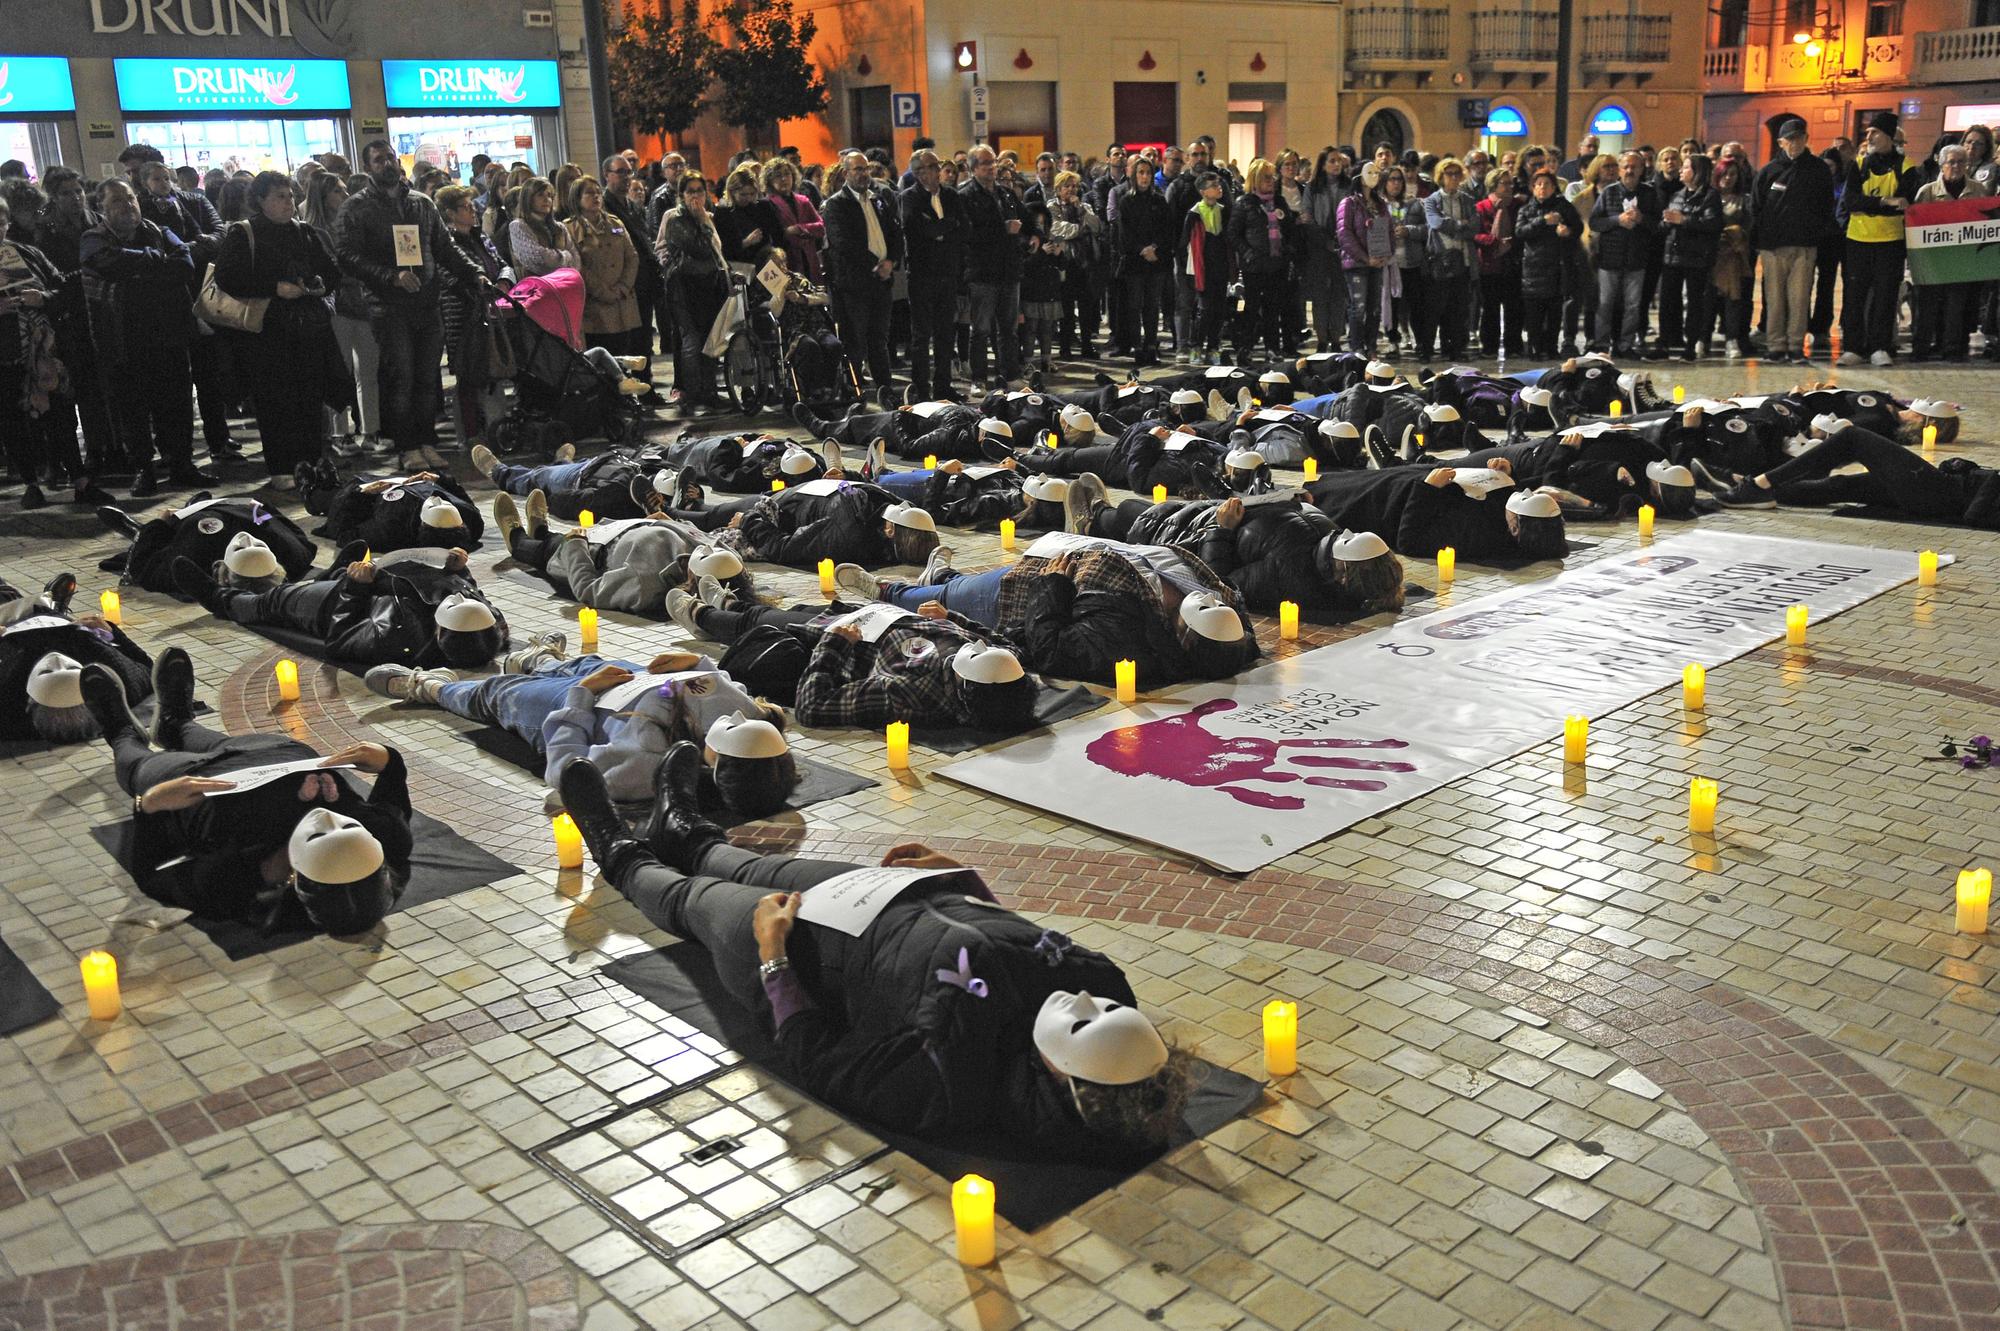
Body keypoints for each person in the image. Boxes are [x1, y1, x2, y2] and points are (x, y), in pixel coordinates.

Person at [555, 751, 1193, 1156]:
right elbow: (1015, 939)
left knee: (692, 900)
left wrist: (773, 957)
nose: (1086, 997)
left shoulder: (952, 1083)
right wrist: (967, 883)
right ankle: (684, 830)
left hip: (816, 955)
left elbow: (821, 1061)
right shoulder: (1098, 979)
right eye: (1106, 1004)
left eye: (1084, 1019)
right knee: (742, 863)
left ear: (1064, 1082)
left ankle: (618, 851)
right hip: (892, 897)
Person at [79, 650, 413, 936]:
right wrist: (387, 759)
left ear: (296, 875)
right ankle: (177, 723)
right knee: (203, 737)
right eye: (350, 824)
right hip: (275, 755)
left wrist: (151, 805)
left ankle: (121, 733)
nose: (328, 817)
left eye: (318, 835)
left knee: (140, 766)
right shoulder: (388, 838)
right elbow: (393, 797)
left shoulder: (232, 887)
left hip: (194, 788)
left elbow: (152, 878)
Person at [370, 649, 799, 819]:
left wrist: (579, 697)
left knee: (498, 695)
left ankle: (432, 688)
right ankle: (543, 660)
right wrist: (697, 662)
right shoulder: (749, 724)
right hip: (630, 680)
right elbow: (721, 683)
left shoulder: (641, 766)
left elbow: (565, 769)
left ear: (715, 762)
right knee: (589, 658)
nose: (737, 717)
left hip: (586, 707)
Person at [846, 524, 1259, 690]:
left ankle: (888, 591)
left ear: (1185, 630)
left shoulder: (1126, 645)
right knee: (957, 586)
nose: (1210, 597)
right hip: (1071, 557)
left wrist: (1054, 586)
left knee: (953, 598)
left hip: (1025, 593)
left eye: (1204, 608)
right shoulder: (1227, 628)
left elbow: (1051, 649)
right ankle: (940, 575)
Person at [334, 139, 488, 473]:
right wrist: (390, 276)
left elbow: (444, 248)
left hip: (426, 303)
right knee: (400, 377)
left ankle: (426, 440)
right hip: (388, 307)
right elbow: (346, 255)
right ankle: (406, 445)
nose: (387, 163)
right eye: (378, 160)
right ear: (367, 166)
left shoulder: (422, 204)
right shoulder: (356, 208)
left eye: (390, 157)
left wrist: (473, 272)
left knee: (426, 377)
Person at [214, 171, 346, 488]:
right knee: (276, 400)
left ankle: (313, 461)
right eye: (279, 197)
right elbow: (227, 278)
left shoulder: (304, 232)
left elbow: (330, 271)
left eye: (289, 196)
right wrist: (274, 288)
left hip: (307, 329)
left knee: (311, 397)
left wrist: (317, 284)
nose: (288, 203)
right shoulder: (244, 234)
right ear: (260, 200)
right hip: (267, 332)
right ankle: (282, 466)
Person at [79, 179, 211, 497]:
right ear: (101, 209)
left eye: (131, 199)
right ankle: (143, 469)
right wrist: (152, 262)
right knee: (132, 409)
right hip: (122, 339)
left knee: (177, 404)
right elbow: (106, 263)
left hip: (168, 336)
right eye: (117, 202)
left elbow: (184, 263)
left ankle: (182, 464)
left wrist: (140, 267)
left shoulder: (159, 230)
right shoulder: (93, 238)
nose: (128, 206)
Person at [1104, 494, 1405, 615]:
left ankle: (1096, 516)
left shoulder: (1286, 574)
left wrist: (1221, 529)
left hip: (1184, 534)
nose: (1345, 534)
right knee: (1134, 509)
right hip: (1202, 515)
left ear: (1341, 573)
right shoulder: (1321, 548)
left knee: (1129, 512)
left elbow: (1217, 585)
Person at [1718, 419, 1998, 528]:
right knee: (1841, 486)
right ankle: (1759, 491)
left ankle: (1760, 483)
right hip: (1940, 489)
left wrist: (1988, 481)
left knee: (1853, 437)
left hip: (1937, 492)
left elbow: (1975, 515)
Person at [0, 577, 154, 743]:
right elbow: (146, 667)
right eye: (71, 668)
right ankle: (53, 605)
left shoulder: (7, 702)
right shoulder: (113, 681)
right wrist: (111, 631)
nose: (57, 660)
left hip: (11, 630)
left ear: (30, 702)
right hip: (59, 626)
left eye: (47, 671)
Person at [1307, 464, 1569, 561]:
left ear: (1515, 528)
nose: (1524, 493)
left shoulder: (1475, 539)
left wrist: (1428, 490)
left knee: (1338, 493)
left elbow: (1410, 540)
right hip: (1425, 480)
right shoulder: (1515, 522)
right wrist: (1505, 473)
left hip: (1392, 502)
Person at [1837, 113, 1920, 367]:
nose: (1869, 137)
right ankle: (1852, 347)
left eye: (1875, 132)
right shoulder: (1859, 165)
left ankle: (1880, 347)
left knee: (1885, 296)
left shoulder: (1907, 167)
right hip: (1858, 240)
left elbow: (1905, 204)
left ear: (1889, 136)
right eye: (1868, 133)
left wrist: (1870, 205)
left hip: (1890, 241)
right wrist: (1884, 202)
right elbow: (1850, 202)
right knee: (1854, 296)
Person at [822, 151, 904, 409]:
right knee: (854, 340)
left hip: (882, 280)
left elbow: (894, 232)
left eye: (866, 169)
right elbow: (842, 243)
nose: (863, 174)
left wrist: (891, 261)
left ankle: (884, 389)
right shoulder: (836, 204)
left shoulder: (879, 199)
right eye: (857, 169)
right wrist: (874, 264)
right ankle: (854, 392)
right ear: (846, 173)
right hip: (854, 283)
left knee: (879, 338)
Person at [1751, 119, 1837, 365]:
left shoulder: (1818, 170)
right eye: (1790, 139)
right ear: (1781, 142)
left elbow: (1826, 205)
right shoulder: (1768, 171)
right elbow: (1755, 207)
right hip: (1773, 246)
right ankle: (1776, 345)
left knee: (1799, 298)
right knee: (1774, 298)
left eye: (1799, 137)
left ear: (1806, 138)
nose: (1795, 143)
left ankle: (1796, 346)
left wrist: (1815, 233)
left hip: (1804, 245)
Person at [719, 481, 940, 571]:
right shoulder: (895, 511)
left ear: (889, 530)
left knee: (713, 516)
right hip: (812, 492)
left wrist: (748, 520)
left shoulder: (846, 537)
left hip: (784, 506)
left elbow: (783, 549)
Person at [435, 185, 503, 455]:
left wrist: (503, 280)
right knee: (467, 375)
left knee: (491, 370)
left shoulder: (479, 236)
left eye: (472, 206)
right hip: (462, 316)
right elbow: (446, 276)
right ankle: (470, 435)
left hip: (490, 311)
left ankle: (494, 428)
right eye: (465, 207)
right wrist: (475, 288)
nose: (472, 210)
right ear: (450, 213)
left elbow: (499, 261)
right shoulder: (445, 242)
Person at [656, 174, 730, 417]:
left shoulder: (707, 217)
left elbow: (717, 247)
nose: (696, 196)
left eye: (700, 191)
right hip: (683, 285)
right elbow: (697, 248)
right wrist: (701, 220)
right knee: (691, 339)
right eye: (691, 191)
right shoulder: (675, 218)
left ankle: (709, 391)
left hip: (708, 283)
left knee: (711, 338)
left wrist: (704, 221)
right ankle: (691, 391)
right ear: (682, 194)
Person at [898, 150, 968, 406]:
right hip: (922, 274)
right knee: (921, 335)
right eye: (930, 167)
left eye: (936, 165)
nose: (937, 170)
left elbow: (963, 228)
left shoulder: (951, 195)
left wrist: (941, 229)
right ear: (918, 173)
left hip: (948, 273)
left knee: (945, 333)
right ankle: (921, 388)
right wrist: (945, 227)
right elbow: (917, 230)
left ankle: (943, 386)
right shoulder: (909, 197)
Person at [1911, 144, 1992, 362]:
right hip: (1933, 261)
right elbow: (1915, 227)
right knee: (1927, 307)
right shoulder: (1927, 192)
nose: (1956, 166)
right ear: (1941, 164)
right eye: (1951, 162)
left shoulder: (1978, 190)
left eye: (1961, 162)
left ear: (1967, 165)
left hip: (1962, 261)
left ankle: (1952, 349)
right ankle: (1920, 348)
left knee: (1956, 307)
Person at [960, 146, 1029, 389]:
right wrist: (1004, 230)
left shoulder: (1005, 194)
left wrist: (1034, 236)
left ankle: (1010, 375)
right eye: (985, 163)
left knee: (1008, 329)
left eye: (993, 162)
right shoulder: (966, 196)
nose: (991, 167)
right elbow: (967, 233)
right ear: (973, 168)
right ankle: (978, 378)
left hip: (1008, 270)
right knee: (980, 329)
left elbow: (1026, 219)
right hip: (983, 272)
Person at [566, 175, 645, 368]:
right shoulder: (570, 228)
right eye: (589, 193)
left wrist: (623, 286)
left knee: (624, 357)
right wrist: (602, 291)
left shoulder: (615, 223)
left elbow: (632, 257)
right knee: (600, 360)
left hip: (621, 300)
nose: (596, 197)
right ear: (577, 198)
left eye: (598, 193)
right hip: (595, 305)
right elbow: (577, 265)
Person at [1588, 152, 1660, 358]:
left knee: (1633, 305)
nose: (1630, 171)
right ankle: (1601, 344)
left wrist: (1641, 219)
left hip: (1637, 259)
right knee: (1605, 303)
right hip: (1609, 258)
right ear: (1620, 169)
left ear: (1641, 169)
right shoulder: (1609, 193)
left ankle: (1625, 345)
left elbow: (1658, 225)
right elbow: (1595, 222)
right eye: (1626, 166)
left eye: (1634, 167)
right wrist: (1616, 220)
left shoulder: (1649, 193)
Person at [1232, 159, 1299, 362]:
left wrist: (1287, 251)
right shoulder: (1244, 203)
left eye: (1272, 177)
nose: (1271, 181)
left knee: (1273, 308)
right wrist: (1248, 254)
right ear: (1256, 179)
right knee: (1251, 308)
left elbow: (1289, 230)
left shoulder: (1279, 202)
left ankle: (1272, 347)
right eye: (1266, 177)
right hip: (1254, 265)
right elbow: (1234, 234)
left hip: (1276, 264)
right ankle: (1246, 348)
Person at [1657, 154, 1721, 363]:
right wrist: (1667, 222)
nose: (1682, 171)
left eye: (1686, 167)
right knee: (1667, 300)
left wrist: (1684, 220)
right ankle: (1664, 343)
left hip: (1696, 257)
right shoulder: (1677, 194)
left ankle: (1691, 345)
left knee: (1694, 302)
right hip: (1672, 255)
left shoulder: (1710, 196)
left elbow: (1711, 224)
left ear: (1698, 172)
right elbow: (1665, 224)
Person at [1114, 157, 1174, 368]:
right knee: (1134, 306)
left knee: (1152, 306)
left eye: (1148, 172)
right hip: (1134, 261)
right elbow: (1124, 233)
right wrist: (1142, 249)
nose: (1145, 177)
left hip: (1156, 260)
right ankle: (1137, 346)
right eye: (1140, 172)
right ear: (1134, 175)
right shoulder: (1125, 201)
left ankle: (1151, 345)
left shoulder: (1159, 201)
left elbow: (1167, 230)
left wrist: (1155, 248)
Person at [1514, 171, 1580, 360]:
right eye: (1539, 184)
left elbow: (1578, 228)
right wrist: (1542, 221)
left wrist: (1568, 231)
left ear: (1554, 188)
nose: (1543, 188)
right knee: (1534, 314)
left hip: (1557, 268)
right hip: (1533, 269)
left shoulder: (1564, 208)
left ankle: (1551, 347)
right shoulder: (1526, 210)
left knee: (1554, 312)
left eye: (1547, 184)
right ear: (1533, 188)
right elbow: (1520, 232)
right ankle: (1534, 348)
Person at [1423, 159, 1476, 361]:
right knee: (1435, 309)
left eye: (1456, 173)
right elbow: (1435, 223)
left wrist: (1454, 224)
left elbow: (1474, 227)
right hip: (1440, 260)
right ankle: (1427, 349)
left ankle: (1454, 348)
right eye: (1449, 173)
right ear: (1441, 176)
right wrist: (1460, 224)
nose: (1453, 177)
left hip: (1462, 260)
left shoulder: (1467, 200)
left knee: (1458, 309)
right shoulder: (1432, 200)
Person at [1474, 171, 1522, 358]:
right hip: (1489, 264)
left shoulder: (1518, 205)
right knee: (1490, 308)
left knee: (1514, 308)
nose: (1510, 187)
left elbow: (1522, 229)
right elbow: (1475, 234)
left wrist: (1510, 243)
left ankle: (1513, 347)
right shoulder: (1481, 207)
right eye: (1505, 183)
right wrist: (1494, 242)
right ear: (1494, 185)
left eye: (1511, 183)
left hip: (1512, 263)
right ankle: (1489, 347)